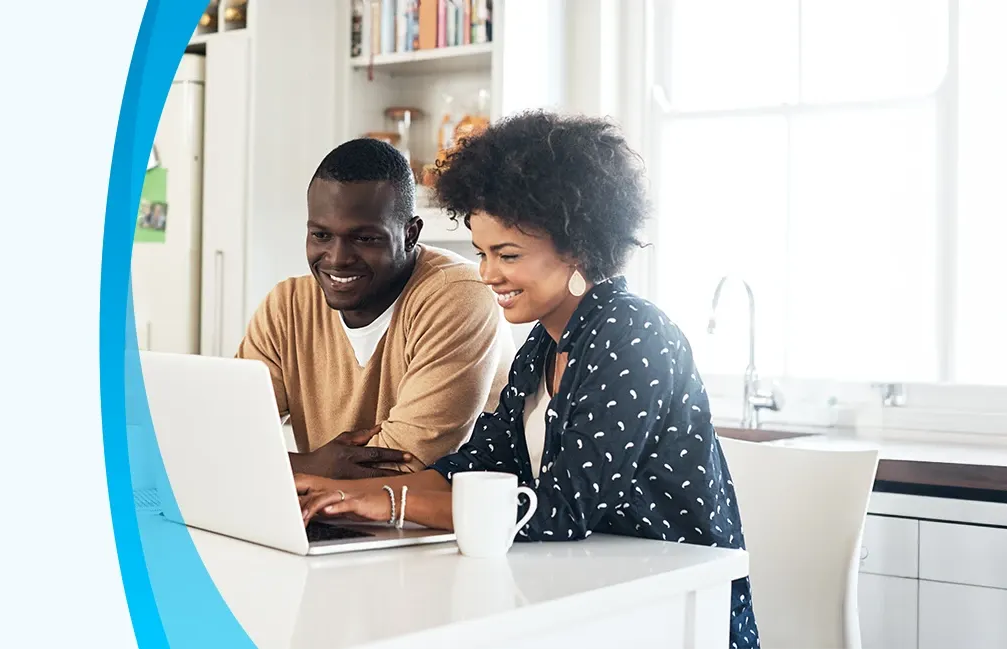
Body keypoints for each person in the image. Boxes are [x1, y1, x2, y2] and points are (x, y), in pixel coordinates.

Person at [290, 112, 760, 648]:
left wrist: (389, 501)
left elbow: (559, 507)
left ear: (578, 248)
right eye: (482, 252)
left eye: (507, 255)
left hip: (668, 614)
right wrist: (336, 495)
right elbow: (472, 472)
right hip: (581, 596)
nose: (487, 274)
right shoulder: (541, 347)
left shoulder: (636, 337)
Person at [236, 138, 511, 480]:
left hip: (445, 523)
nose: (337, 258)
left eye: (365, 239)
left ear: (410, 234)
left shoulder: (458, 295)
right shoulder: (286, 307)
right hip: (336, 514)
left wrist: (282, 467)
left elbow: (405, 462)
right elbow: (228, 439)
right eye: (321, 235)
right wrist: (312, 466)